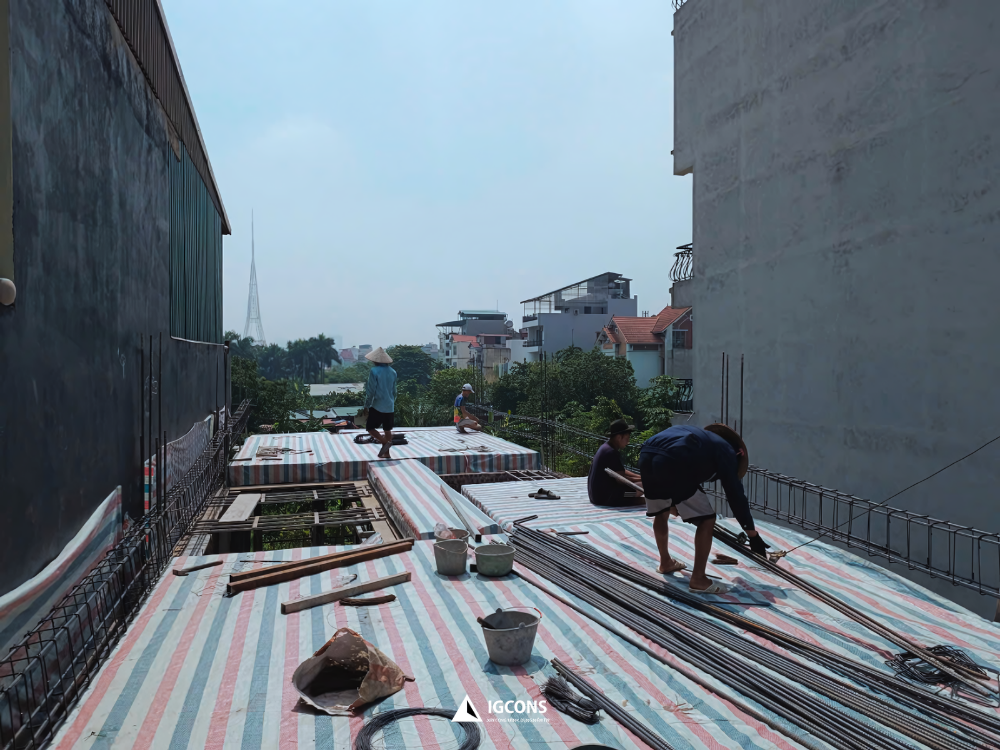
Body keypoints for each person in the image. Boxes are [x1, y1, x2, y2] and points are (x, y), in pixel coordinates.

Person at [639, 423, 770, 593]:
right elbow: (735, 495)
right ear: (738, 453)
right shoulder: (727, 451)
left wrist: (674, 501)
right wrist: (752, 534)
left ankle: (665, 563)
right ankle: (698, 579)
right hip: (675, 460)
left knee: (661, 512)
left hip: (646, 454)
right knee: (707, 519)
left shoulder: (702, 440)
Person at [587, 419, 645, 508]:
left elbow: (620, 472)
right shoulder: (611, 452)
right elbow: (622, 479)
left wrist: (640, 477)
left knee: (642, 484)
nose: (628, 442)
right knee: (644, 487)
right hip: (606, 498)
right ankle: (638, 500)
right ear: (619, 437)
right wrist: (644, 480)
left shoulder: (606, 448)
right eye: (627, 438)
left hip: (596, 496)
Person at [362, 347, 398, 458]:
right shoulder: (393, 372)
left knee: (370, 428)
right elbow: (394, 391)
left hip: (377, 405)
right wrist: (391, 402)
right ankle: (387, 453)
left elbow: (371, 390)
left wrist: (367, 405)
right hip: (390, 405)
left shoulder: (374, 371)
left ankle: (384, 442)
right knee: (387, 429)